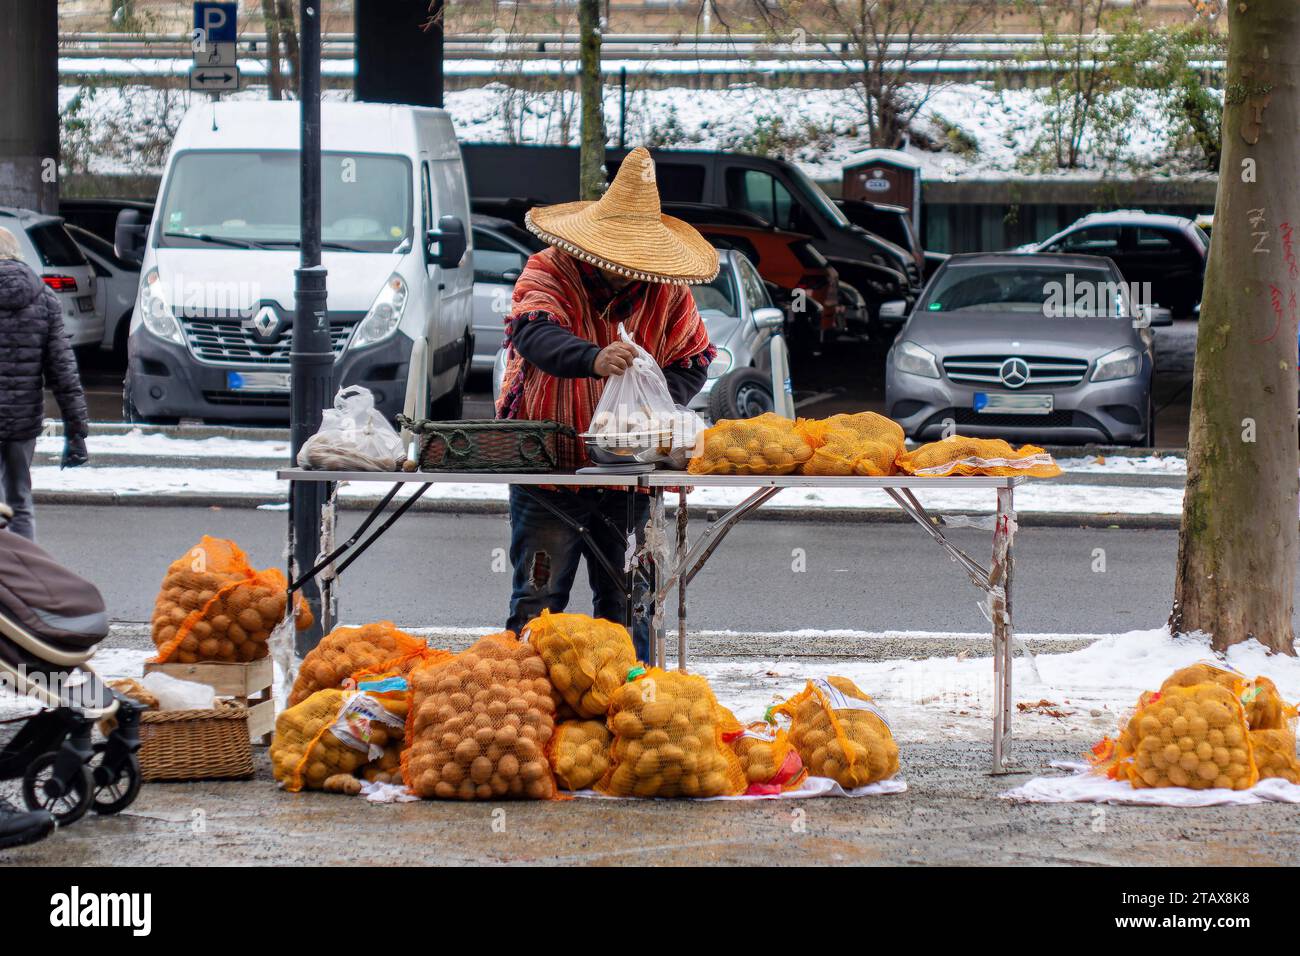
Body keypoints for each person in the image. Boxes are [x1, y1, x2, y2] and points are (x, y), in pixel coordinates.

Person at [496, 147, 717, 660]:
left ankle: (630, 699)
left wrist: (652, 407)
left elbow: (693, 358)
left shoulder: (669, 292)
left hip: (631, 477)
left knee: (629, 600)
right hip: (552, 469)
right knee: (539, 597)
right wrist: (594, 359)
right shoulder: (547, 271)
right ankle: (524, 704)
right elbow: (532, 334)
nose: (627, 271)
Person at [0, 226, 89, 540]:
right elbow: (63, 373)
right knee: (19, 502)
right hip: (22, 426)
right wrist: (76, 434)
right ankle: (24, 580)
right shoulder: (44, 298)